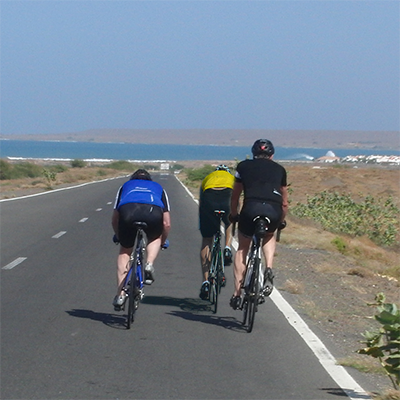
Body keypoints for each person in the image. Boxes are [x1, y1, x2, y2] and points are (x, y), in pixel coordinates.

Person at [229, 139, 288, 310]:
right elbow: (284, 202)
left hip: (250, 209)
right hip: (273, 210)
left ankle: (237, 294)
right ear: (272, 155)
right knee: (269, 234)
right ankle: (268, 267)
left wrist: (234, 214)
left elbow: (235, 196)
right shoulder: (280, 170)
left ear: (253, 153)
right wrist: (281, 220)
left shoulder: (243, 167)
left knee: (242, 249)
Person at [111, 169, 171, 310]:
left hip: (128, 212)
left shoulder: (125, 186)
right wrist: (162, 240)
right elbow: (166, 223)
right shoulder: (158, 188)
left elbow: (115, 219)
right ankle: (149, 264)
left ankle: (120, 295)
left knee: (125, 252)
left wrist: (119, 236)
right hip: (153, 212)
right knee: (155, 237)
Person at [198, 164, 235, 300]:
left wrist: (204, 218)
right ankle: (227, 248)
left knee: (207, 239)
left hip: (209, 198)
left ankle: (206, 281)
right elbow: (237, 199)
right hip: (227, 197)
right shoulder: (231, 178)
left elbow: (201, 202)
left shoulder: (208, 177)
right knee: (230, 221)